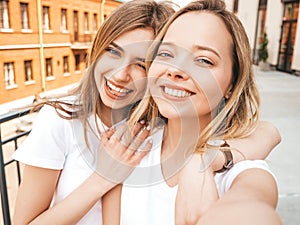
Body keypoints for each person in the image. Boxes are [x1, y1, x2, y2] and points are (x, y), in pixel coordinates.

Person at [106, 0, 282, 225]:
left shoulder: (242, 170)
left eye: (203, 60)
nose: (175, 71)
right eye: (167, 53)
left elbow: (253, 206)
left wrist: (201, 160)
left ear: (232, 84)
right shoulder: (129, 144)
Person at [11, 1, 176, 224]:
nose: (119, 75)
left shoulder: (163, 127)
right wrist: (102, 178)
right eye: (113, 51)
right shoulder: (60, 119)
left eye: (140, 65)